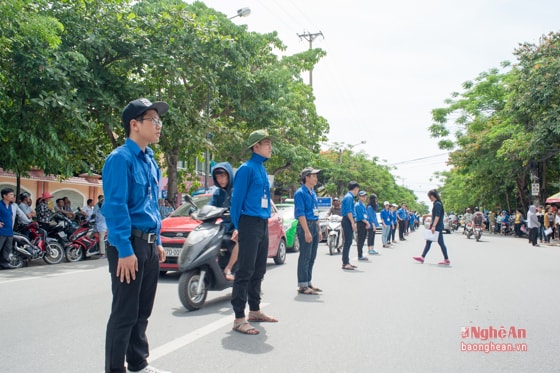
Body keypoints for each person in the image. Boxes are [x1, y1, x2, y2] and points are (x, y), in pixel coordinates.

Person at [102, 98, 170, 373]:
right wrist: (125, 250)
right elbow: (115, 207)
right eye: (153, 120)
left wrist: (159, 241)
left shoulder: (151, 161)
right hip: (128, 244)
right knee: (124, 314)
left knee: (142, 312)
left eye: (159, 121)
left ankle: (138, 364)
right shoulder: (120, 159)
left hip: (149, 245)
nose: (159, 126)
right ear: (134, 125)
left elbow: (152, 206)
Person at [229, 129, 278, 335]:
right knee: (245, 271)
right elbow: (236, 201)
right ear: (255, 147)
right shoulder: (246, 169)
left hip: (262, 223)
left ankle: (255, 311)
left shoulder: (261, 170)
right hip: (248, 222)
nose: (270, 147)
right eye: (266, 143)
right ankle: (239, 317)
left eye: (269, 143)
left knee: (259, 269)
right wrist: (237, 226)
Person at [294, 167, 322, 294]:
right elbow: (301, 214)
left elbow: (316, 212)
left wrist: (319, 229)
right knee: (305, 256)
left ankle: (308, 282)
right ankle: (303, 285)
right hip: (306, 225)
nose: (316, 178)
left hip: (314, 225)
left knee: (312, 256)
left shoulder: (313, 192)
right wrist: (306, 231)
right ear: (306, 177)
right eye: (314, 176)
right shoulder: (300, 193)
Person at [208, 162, 237, 281]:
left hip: (236, 226)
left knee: (238, 240)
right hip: (222, 228)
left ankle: (228, 268)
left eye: (223, 176)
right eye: (218, 177)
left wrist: (237, 227)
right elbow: (210, 207)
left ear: (229, 175)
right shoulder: (218, 193)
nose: (221, 179)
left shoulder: (236, 191)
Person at [413, 189, 450, 265]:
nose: (429, 199)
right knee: (430, 242)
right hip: (437, 226)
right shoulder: (437, 203)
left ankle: (446, 259)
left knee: (440, 243)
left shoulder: (437, 204)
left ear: (432, 196)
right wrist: (427, 215)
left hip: (437, 226)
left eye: (429, 197)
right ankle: (422, 257)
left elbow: (437, 216)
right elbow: (434, 214)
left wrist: (433, 226)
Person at [341, 181, 360, 270]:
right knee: (347, 242)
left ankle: (347, 262)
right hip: (347, 220)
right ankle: (345, 263)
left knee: (349, 242)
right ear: (355, 188)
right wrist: (353, 222)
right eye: (357, 189)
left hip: (348, 220)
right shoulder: (349, 197)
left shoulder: (349, 197)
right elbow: (349, 211)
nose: (357, 191)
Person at [0, 188, 15, 269]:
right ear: (4, 196)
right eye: (11, 195)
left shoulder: (10, 205)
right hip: (1, 231)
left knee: (7, 248)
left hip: (9, 231)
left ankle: (4, 264)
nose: (13, 196)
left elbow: (11, 216)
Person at [354, 190, 370, 261]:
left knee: (363, 239)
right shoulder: (358, 205)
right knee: (360, 240)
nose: (364, 197)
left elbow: (366, 215)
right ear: (359, 197)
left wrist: (367, 223)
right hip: (361, 223)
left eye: (365, 196)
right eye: (362, 196)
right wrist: (367, 223)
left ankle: (361, 254)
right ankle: (359, 255)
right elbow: (360, 216)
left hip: (365, 222)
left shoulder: (363, 205)